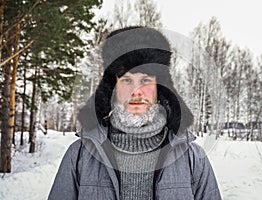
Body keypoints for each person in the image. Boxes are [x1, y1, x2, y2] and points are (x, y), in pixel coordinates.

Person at [48, 26, 222, 200]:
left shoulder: (193, 157)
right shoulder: (80, 155)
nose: (136, 91)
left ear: (159, 88)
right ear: (112, 88)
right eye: (126, 80)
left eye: (145, 80)